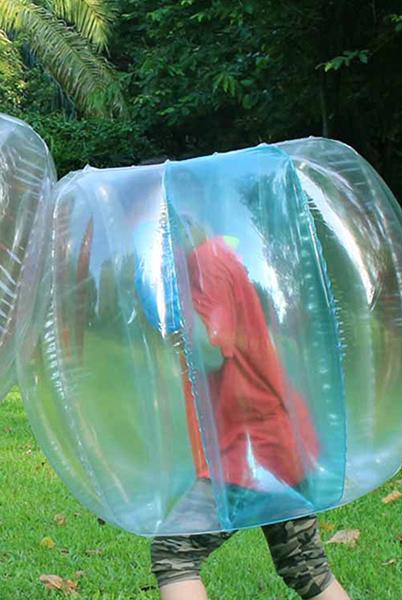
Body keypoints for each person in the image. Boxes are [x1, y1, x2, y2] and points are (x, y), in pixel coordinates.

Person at [140, 202, 350, 600]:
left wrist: (172, 314)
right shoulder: (215, 255)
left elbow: (215, 349)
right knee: (303, 564)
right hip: (276, 438)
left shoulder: (204, 264)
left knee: (174, 551)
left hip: (250, 449)